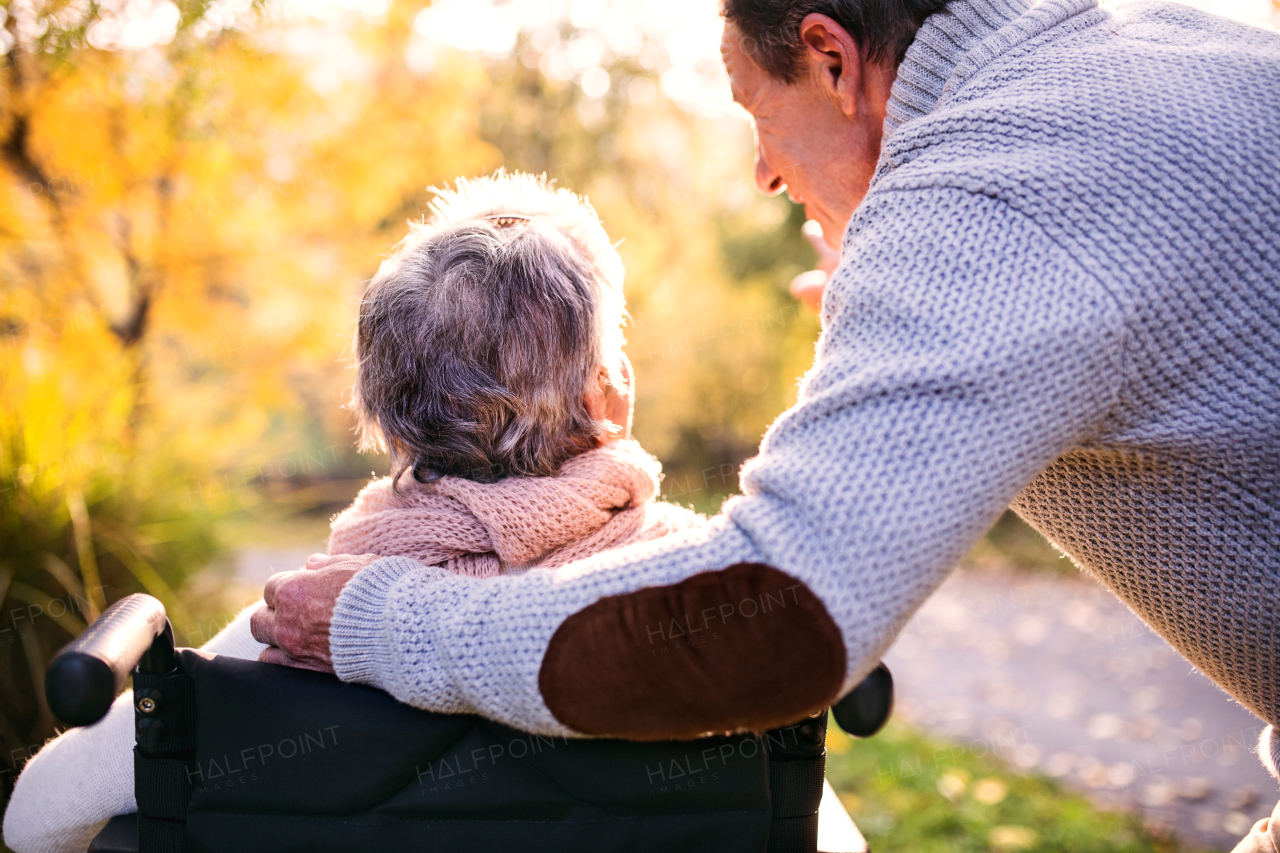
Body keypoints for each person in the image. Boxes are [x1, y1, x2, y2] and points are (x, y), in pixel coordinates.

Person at [251, 0, 1280, 849]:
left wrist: (381, 619)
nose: (762, 173)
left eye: (754, 109)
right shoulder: (1183, 46)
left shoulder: (987, 201)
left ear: (830, 57)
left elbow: (765, 618)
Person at [1, 174, 863, 852]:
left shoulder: (296, 629)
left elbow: (31, 819)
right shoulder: (710, 605)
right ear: (610, 397)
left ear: (385, 414)